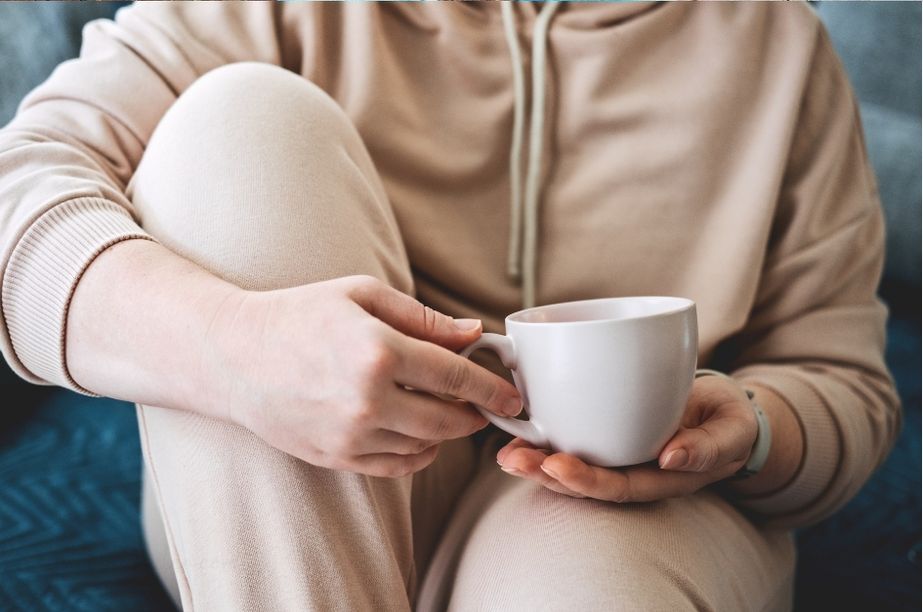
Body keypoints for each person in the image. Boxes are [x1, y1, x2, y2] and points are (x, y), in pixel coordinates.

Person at [0, 2, 900, 610]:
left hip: (626, 507)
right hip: (292, 496)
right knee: (235, 122)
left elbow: (842, 381)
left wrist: (754, 424)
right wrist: (232, 349)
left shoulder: (777, 42)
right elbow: (18, 197)